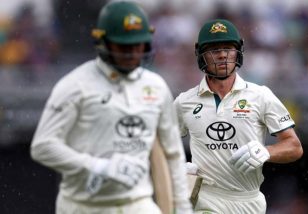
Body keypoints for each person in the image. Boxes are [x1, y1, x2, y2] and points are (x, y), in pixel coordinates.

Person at [30, 1, 192, 214]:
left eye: (138, 45)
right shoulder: (75, 85)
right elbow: (42, 146)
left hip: (138, 203)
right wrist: (98, 167)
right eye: (124, 46)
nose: (133, 53)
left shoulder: (156, 86)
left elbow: (173, 153)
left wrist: (182, 206)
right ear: (103, 42)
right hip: (83, 206)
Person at [174, 19, 303, 214]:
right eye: (214, 50)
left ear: (238, 51)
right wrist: (174, 169)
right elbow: (159, 143)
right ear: (201, 54)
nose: (223, 55)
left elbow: (294, 147)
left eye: (228, 48)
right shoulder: (185, 101)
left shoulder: (260, 95)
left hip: (249, 200)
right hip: (207, 198)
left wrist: (266, 152)